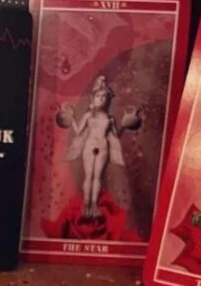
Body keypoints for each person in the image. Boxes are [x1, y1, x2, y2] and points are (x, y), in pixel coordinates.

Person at [57, 75, 141, 218]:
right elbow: (79, 133)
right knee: (89, 176)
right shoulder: (88, 116)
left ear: (108, 100)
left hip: (103, 147)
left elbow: (115, 137)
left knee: (97, 177)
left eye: (104, 97)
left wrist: (125, 125)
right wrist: (71, 120)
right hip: (89, 146)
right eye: (98, 96)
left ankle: (94, 204)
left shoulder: (110, 119)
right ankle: (86, 203)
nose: (101, 99)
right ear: (93, 99)